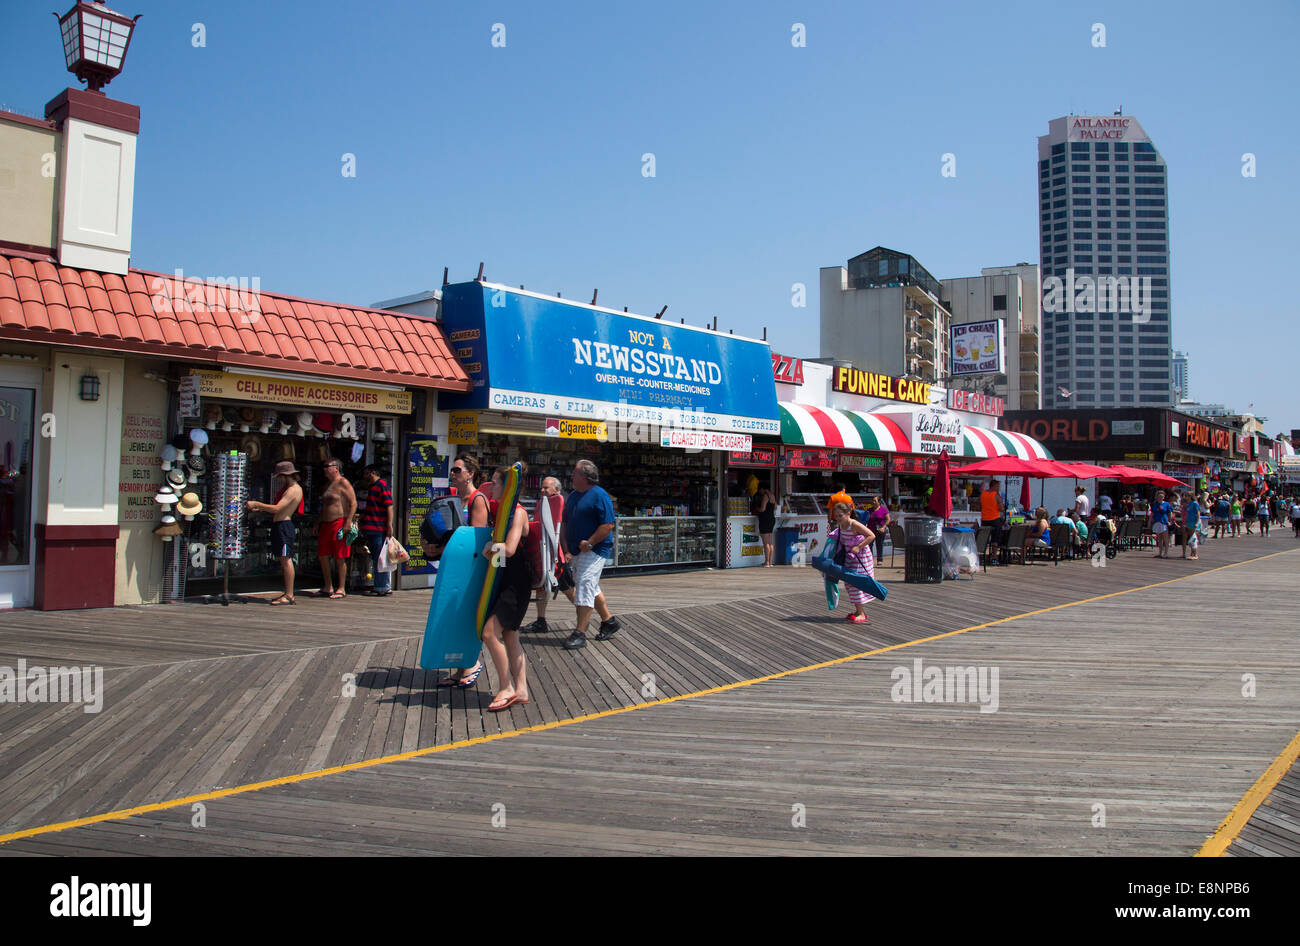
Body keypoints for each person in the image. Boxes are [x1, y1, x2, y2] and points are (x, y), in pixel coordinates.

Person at [480, 465, 532, 712]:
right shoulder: (503, 511)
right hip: (508, 577)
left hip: (516, 579)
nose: (491, 486)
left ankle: (505, 687)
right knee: (510, 635)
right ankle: (521, 689)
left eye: (496, 482)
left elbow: (509, 549)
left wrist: (491, 546)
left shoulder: (518, 513)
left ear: (508, 486)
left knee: (490, 633)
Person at [438, 454, 491, 687]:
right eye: (452, 470)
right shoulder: (455, 499)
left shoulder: (477, 500)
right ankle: (461, 668)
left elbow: (475, 539)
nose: (453, 474)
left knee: (466, 616)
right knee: (455, 616)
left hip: (469, 568)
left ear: (470, 474)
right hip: (454, 566)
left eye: (458, 470)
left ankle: (471, 663)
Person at [561, 459, 621, 650]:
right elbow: (565, 521)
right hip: (576, 550)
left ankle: (580, 632)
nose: (572, 476)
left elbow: (608, 524)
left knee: (586, 584)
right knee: (589, 584)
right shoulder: (572, 496)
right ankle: (609, 621)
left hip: (594, 549)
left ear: (585, 477)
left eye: (575, 473)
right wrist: (566, 547)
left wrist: (591, 542)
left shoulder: (599, 495)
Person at [246, 460, 303, 605]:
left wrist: (257, 504)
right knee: (283, 559)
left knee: (286, 559)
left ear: (285, 475)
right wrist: (261, 509)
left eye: (280, 476)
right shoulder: (288, 488)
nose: (278, 480)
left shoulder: (293, 489)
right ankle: (288, 593)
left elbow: (278, 508)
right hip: (280, 525)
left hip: (284, 526)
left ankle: (289, 594)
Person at [523, 476, 565, 632]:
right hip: (543, 552)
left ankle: (594, 615)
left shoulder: (557, 502)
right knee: (542, 586)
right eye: (542, 487)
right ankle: (541, 620)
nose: (542, 490)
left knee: (570, 590)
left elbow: (557, 528)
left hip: (555, 554)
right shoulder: (543, 503)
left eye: (546, 488)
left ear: (556, 490)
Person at [828, 501, 876, 624]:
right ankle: (859, 611)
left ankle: (861, 613)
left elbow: (871, 536)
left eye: (840, 515)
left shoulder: (854, 524)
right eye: (836, 516)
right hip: (850, 557)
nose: (838, 518)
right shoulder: (841, 526)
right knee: (850, 584)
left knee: (856, 583)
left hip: (861, 557)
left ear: (848, 513)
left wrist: (858, 547)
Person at [317, 458, 356, 599]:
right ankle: (328, 586)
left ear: (336, 468)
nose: (325, 469)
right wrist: (318, 522)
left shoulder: (343, 483)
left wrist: (348, 522)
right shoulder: (328, 484)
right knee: (323, 555)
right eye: (324, 466)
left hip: (339, 522)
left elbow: (353, 503)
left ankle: (341, 587)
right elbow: (325, 507)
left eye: (327, 466)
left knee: (340, 556)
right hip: (325, 523)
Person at [359, 464, 395, 596]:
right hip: (372, 526)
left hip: (378, 527)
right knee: (378, 557)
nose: (365, 476)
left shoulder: (381, 485)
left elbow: (389, 506)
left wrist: (389, 525)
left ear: (373, 472)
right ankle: (382, 585)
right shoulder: (373, 487)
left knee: (379, 557)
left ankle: (382, 586)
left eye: (367, 473)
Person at [751, 484, 777, 567]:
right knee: (770, 542)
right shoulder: (772, 496)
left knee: (765, 543)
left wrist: (756, 508)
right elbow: (775, 507)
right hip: (771, 519)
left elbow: (762, 509)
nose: (759, 492)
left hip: (765, 519)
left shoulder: (765, 496)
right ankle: (770, 562)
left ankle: (766, 562)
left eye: (760, 490)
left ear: (763, 489)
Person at [980, 479, 1004, 562]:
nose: (999, 488)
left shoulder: (983, 494)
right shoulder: (996, 495)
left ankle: (982, 556)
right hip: (994, 519)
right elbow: (1001, 508)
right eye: (998, 486)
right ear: (994, 486)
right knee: (995, 539)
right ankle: (994, 557)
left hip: (984, 519)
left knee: (984, 538)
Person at [866, 495, 890, 565]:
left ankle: (880, 559)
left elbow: (888, 519)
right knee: (869, 545)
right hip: (870, 530)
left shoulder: (883, 510)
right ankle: (870, 559)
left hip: (880, 530)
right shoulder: (869, 510)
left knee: (879, 544)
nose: (873, 502)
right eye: (872, 501)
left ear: (879, 502)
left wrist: (884, 527)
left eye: (875, 501)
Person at [1149, 489, 1173, 558]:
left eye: (1161, 496)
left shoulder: (1166, 504)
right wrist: (1149, 522)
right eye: (1159, 496)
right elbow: (1152, 513)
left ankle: (1166, 553)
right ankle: (1160, 552)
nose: (1160, 498)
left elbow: (1170, 512)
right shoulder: (1155, 504)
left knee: (1165, 538)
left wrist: (1170, 521)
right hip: (1157, 521)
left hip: (1164, 522)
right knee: (1159, 538)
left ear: (1164, 497)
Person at [1182, 493, 1201, 560]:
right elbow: (1187, 514)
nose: (1186, 497)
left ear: (1190, 496)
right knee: (1190, 538)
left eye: (1187, 496)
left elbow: (1198, 513)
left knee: (1193, 538)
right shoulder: (1188, 504)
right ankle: (1192, 553)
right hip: (1189, 522)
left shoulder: (1195, 503)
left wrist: (1196, 523)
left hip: (1194, 522)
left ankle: (1195, 554)